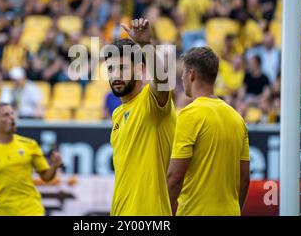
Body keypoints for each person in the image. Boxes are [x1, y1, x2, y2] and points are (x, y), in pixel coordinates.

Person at [103, 18, 176, 216]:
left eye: (122, 67)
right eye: (111, 69)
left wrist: (145, 46)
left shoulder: (150, 101)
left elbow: (162, 82)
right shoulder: (118, 113)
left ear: (139, 68)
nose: (115, 75)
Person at [167, 47, 250, 216]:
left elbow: (174, 177)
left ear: (191, 75)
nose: (182, 79)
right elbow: (244, 179)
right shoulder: (237, 119)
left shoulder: (188, 115)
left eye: (183, 74)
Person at [0, 103, 63, 216]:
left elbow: (46, 176)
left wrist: (54, 166)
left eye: (12, 114)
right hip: (2, 212)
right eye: (6, 115)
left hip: (31, 210)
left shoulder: (30, 145)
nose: (12, 117)